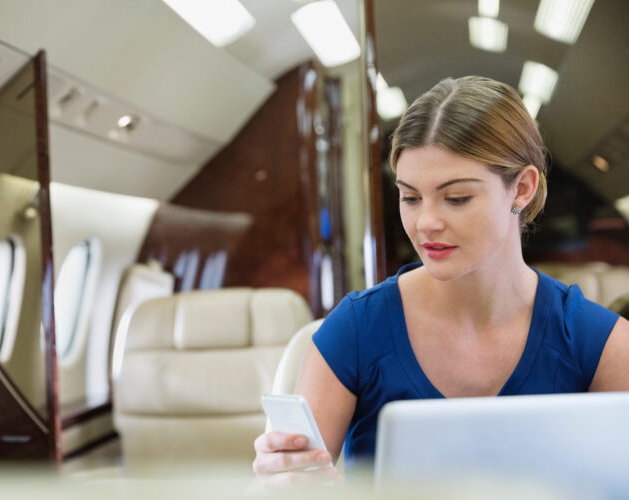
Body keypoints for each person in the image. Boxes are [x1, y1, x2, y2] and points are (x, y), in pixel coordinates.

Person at [252, 76, 629, 483]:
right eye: (410, 198)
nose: (426, 222)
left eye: (456, 198)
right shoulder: (356, 331)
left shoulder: (602, 343)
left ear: (521, 188)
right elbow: (286, 488)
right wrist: (277, 480)